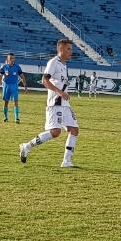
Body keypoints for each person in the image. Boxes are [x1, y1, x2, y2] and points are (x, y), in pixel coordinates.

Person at [19, 39, 79, 168]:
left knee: (74, 129)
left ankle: (66, 161)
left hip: (64, 103)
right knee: (56, 132)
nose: (71, 52)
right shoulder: (53, 62)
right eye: (68, 49)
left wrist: (64, 93)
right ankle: (27, 146)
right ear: (61, 49)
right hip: (55, 102)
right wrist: (59, 92)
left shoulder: (64, 65)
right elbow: (44, 80)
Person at [0, 53, 25, 123]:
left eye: (13, 58)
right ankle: (5, 117)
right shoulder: (4, 67)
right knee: (6, 102)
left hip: (14, 85)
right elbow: (0, 76)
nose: (12, 60)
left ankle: (17, 118)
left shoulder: (17, 67)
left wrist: (25, 85)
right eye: (11, 58)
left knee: (15, 101)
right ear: (7, 59)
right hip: (6, 85)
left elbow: (22, 76)